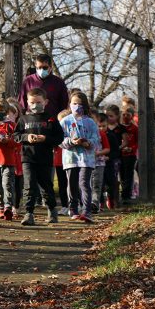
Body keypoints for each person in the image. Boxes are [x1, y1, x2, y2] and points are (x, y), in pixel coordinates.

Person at [14, 87, 62, 225]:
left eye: (38, 102)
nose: (35, 105)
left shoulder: (51, 119)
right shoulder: (23, 119)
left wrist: (44, 138)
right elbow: (16, 135)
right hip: (28, 158)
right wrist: (27, 137)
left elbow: (59, 137)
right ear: (28, 102)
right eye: (32, 102)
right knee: (29, 185)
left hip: (45, 158)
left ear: (45, 102)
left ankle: (52, 210)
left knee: (46, 185)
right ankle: (28, 213)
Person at [60, 90, 99, 223]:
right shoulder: (65, 121)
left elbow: (96, 138)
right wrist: (71, 141)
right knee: (72, 184)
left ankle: (87, 211)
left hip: (86, 159)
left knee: (84, 183)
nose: (77, 106)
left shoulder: (90, 122)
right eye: (74, 103)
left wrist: (89, 143)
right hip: (70, 159)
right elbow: (60, 140)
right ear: (70, 104)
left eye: (80, 104)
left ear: (85, 106)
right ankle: (73, 209)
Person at [101, 106, 124, 209]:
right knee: (99, 183)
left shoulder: (111, 135)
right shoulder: (94, 136)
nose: (101, 129)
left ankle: (111, 199)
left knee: (111, 182)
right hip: (97, 164)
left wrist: (109, 157)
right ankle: (100, 202)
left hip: (109, 163)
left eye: (104, 126)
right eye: (99, 126)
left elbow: (116, 151)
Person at [119, 109, 139, 201]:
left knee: (129, 175)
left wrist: (132, 148)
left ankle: (126, 195)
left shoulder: (134, 128)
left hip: (131, 155)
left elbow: (137, 141)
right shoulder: (119, 128)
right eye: (124, 114)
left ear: (132, 116)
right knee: (122, 174)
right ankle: (123, 192)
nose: (125, 117)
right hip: (120, 154)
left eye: (128, 115)